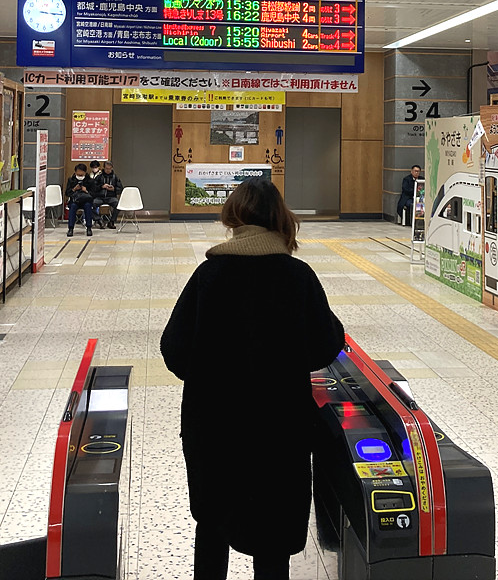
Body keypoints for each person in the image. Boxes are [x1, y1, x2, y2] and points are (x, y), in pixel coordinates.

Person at [161, 178, 344, 580]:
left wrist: (209, 377)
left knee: (212, 526)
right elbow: (327, 345)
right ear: (280, 219)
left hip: (212, 428)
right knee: (273, 539)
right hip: (279, 431)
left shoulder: (208, 275)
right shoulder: (298, 277)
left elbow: (173, 348)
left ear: (234, 217)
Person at [64, 162, 97, 237]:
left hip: (86, 200)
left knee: (88, 207)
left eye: (81, 174)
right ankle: (70, 228)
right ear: (75, 172)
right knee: (72, 207)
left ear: (85, 172)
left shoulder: (90, 181)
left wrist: (86, 191)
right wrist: (74, 189)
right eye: (78, 173)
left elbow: (94, 194)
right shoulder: (71, 180)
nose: (79, 175)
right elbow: (67, 193)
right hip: (75, 200)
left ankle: (89, 228)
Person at [92, 160, 124, 229]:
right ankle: (99, 220)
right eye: (106, 168)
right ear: (104, 168)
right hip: (99, 197)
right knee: (91, 204)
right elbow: (93, 188)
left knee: (118, 205)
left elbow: (120, 189)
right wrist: (102, 187)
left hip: (111, 197)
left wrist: (114, 189)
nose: (108, 170)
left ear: (112, 168)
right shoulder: (99, 177)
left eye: (110, 169)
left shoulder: (115, 177)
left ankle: (112, 221)